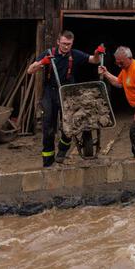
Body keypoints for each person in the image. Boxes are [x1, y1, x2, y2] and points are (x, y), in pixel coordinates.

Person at [26, 31, 104, 167]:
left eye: (69, 44)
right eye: (63, 43)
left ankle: (62, 151)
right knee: (48, 127)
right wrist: (42, 62)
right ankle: (48, 161)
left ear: (72, 43)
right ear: (58, 42)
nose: (66, 46)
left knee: (70, 125)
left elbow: (94, 60)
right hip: (50, 92)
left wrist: (97, 53)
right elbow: (30, 70)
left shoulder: (75, 54)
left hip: (68, 93)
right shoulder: (48, 53)